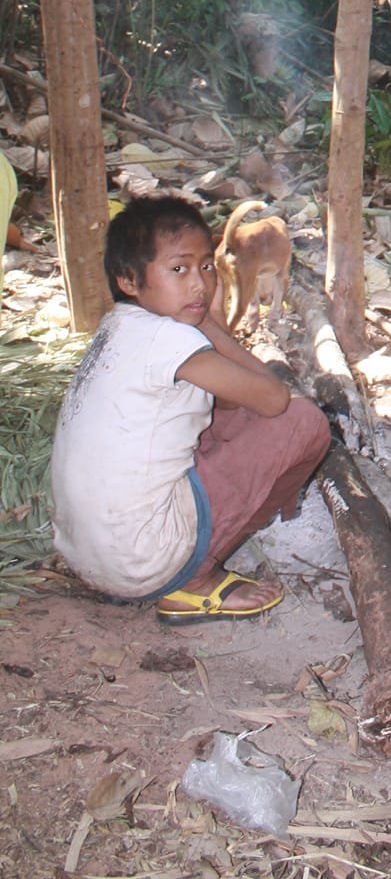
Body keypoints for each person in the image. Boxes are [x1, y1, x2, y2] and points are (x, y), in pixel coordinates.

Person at [50, 195, 331, 622]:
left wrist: (204, 324)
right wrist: (209, 326)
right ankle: (195, 580)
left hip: (87, 554)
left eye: (206, 266)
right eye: (179, 269)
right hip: (143, 562)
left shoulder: (118, 326)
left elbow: (231, 400)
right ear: (129, 279)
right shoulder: (173, 339)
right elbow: (274, 399)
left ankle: (198, 543)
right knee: (304, 422)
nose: (199, 284)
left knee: (229, 416)